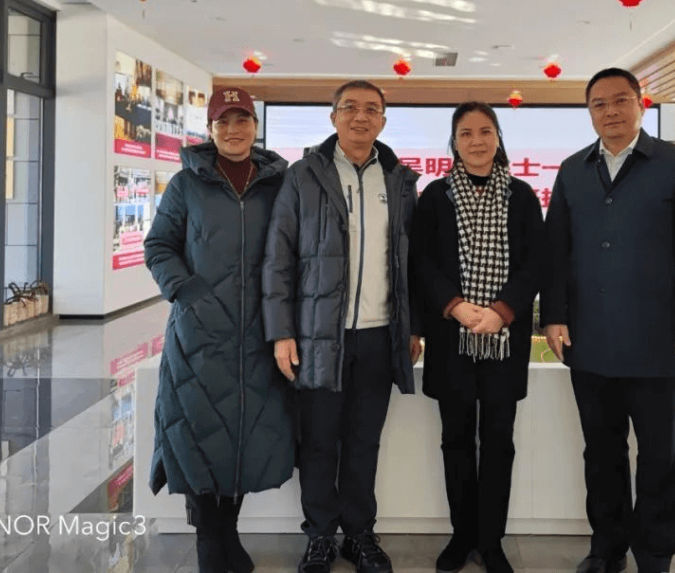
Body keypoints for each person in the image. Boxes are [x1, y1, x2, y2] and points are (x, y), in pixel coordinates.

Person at [541, 68, 675, 573]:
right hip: (589, 341)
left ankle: (655, 556)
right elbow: (556, 251)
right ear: (589, 113)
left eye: (621, 101)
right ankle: (607, 549)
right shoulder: (573, 169)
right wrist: (553, 316)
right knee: (602, 454)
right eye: (599, 104)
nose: (611, 111)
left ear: (641, 105)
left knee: (660, 456)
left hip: (658, 342)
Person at [262, 80, 421, 573]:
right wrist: (281, 331)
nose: (360, 116)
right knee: (318, 443)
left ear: (383, 121)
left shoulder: (399, 180)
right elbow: (278, 257)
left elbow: (410, 262)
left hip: (379, 335)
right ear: (333, 117)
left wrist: (412, 328)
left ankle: (359, 534)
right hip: (317, 336)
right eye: (349, 107)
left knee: (363, 442)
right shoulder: (303, 175)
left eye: (372, 109)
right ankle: (319, 536)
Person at [144, 87, 296, 573]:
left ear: (255, 126)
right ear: (209, 130)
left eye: (242, 120)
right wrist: (187, 293)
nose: (233, 130)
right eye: (223, 122)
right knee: (196, 434)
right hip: (199, 334)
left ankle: (227, 535)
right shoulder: (186, 184)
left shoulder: (279, 182)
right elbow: (159, 245)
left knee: (243, 437)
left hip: (259, 333)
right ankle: (212, 541)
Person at [412, 102, 545, 573]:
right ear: (453, 142)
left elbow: (536, 262)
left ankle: (491, 541)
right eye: (466, 133)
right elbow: (421, 261)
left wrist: (501, 311)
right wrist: (455, 305)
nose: (476, 141)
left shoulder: (521, 196)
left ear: (498, 137)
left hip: (504, 340)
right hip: (452, 337)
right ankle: (462, 535)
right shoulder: (435, 196)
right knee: (455, 439)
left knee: (499, 441)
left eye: (485, 131)